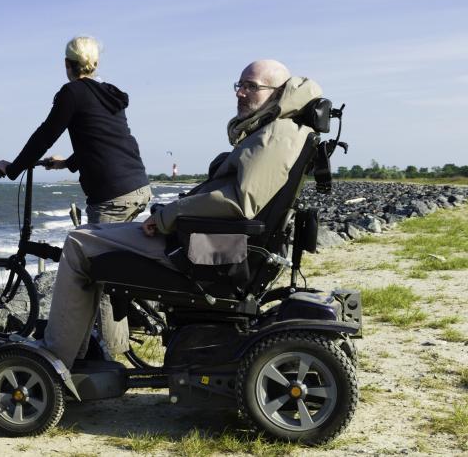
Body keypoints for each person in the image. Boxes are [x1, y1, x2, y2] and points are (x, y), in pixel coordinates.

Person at [41, 60, 324, 368]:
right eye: (239, 86)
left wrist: (169, 215)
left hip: (204, 250)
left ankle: (55, 358)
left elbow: (241, 202)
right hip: (215, 243)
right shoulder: (281, 129)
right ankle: (79, 352)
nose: (241, 94)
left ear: (279, 91)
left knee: (79, 242)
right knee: (90, 238)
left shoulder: (275, 135)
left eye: (252, 87)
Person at [0, 36, 151, 223]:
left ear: (66, 63)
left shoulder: (72, 93)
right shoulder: (109, 94)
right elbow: (103, 142)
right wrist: (67, 163)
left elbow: (45, 136)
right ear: (96, 63)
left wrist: (12, 169)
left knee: (88, 252)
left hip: (112, 196)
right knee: (113, 250)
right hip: (139, 187)